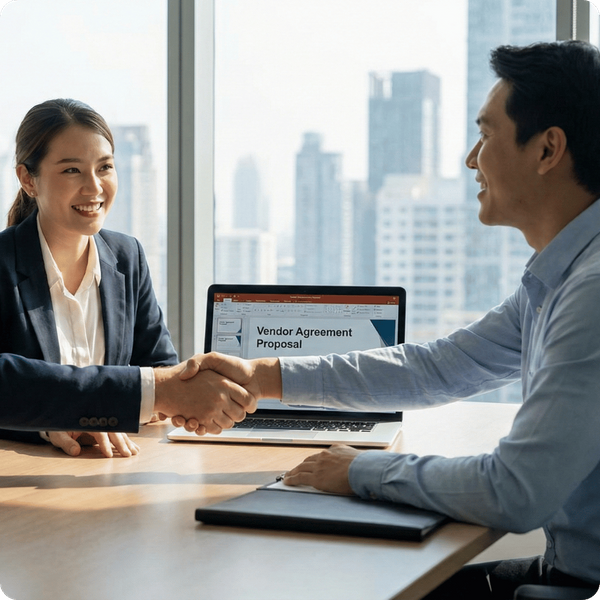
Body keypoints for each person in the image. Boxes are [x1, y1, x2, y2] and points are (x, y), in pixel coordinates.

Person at [176, 41, 600, 598]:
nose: (472, 159)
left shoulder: (591, 293)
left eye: (487, 135)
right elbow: (440, 367)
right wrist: (263, 377)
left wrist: (357, 472)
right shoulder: (560, 277)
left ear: (547, 150)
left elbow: (515, 491)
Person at [0, 99, 256, 458]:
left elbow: (160, 369)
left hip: (116, 466)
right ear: (28, 179)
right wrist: (53, 423)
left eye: (104, 167)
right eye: (72, 170)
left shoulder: (126, 257)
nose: (94, 187)